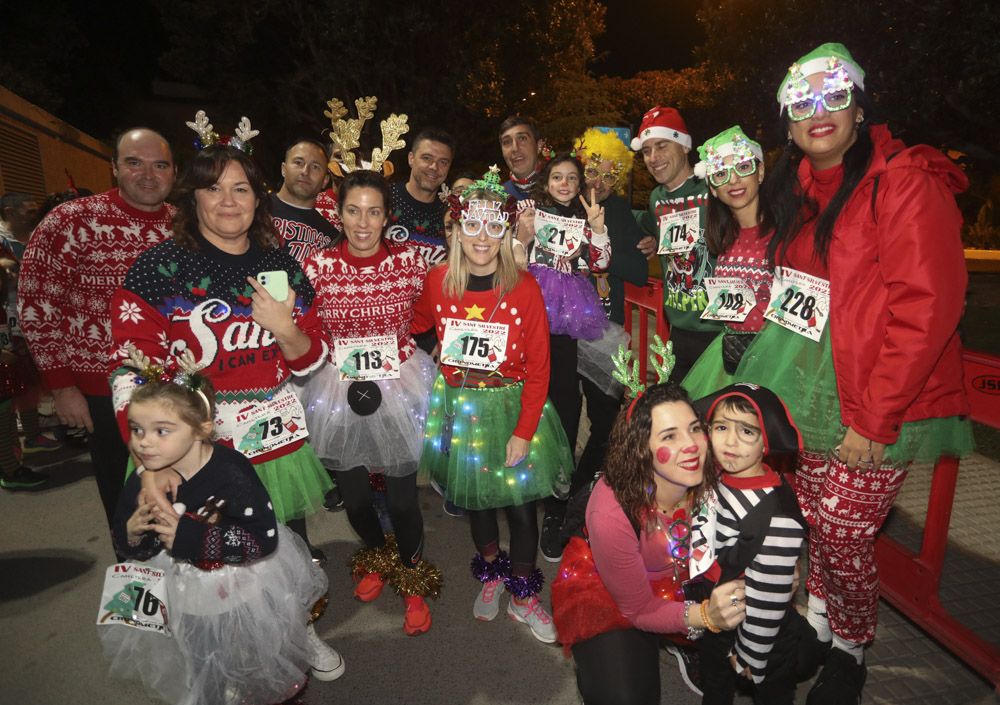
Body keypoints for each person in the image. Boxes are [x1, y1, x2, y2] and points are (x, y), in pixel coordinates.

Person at [736, 43, 974, 704]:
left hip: (874, 404)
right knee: (814, 522)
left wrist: (876, 419)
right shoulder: (799, 192)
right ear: (786, 124)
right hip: (810, 395)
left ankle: (851, 647)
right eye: (801, 100)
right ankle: (818, 627)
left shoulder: (902, 181)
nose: (818, 111)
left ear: (860, 106)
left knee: (842, 533)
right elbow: (795, 293)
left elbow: (929, 306)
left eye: (833, 95)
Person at [110, 121, 333, 562]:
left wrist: (284, 327)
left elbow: (312, 362)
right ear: (193, 198)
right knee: (207, 570)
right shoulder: (156, 271)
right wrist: (149, 461)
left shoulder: (281, 265)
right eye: (213, 189)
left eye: (241, 189)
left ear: (258, 198)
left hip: (275, 445)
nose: (228, 202)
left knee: (285, 555)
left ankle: (292, 629)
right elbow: (130, 375)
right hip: (191, 453)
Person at [100, 349, 342, 705]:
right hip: (184, 591)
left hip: (241, 584)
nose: (143, 442)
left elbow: (264, 539)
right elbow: (132, 547)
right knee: (199, 655)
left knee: (259, 648)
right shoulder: (142, 482)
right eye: (137, 429)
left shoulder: (231, 472)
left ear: (202, 428)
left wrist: (189, 537)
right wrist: (134, 534)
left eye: (161, 431)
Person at [414, 166, 573, 644]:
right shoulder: (439, 280)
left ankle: (524, 594)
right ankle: (491, 573)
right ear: (457, 228)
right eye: (472, 225)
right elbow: (415, 324)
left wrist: (524, 431)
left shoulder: (524, 287)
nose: (482, 237)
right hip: (462, 411)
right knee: (475, 501)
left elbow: (541, 367)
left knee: (523, 510)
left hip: (512, 408)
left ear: (505, 231)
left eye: (493, 226)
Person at [298, 169, 441, 636]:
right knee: (355, 500)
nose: (363, 222)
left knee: (402, 501)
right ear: (338, 214)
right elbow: (309, 330)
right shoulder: (317, 267)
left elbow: (437, 307)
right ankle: (379, 553)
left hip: (400, 386)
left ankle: (413, 578)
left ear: (387, 217)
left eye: (374, 211)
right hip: (339, 390)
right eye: (353, 211)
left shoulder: (410, 263)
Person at [551, 380, 747, 705]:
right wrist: (706, 617)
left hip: (687, 575)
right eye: (670, 436)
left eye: (695, 429)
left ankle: (687, 641)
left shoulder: (719, 468)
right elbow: (638, 609)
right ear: (642, 448)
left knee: (793, 646)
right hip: (619, 594)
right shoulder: (611, 512)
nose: (692, 446)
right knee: (624, 697)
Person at [18, 128, 176, 526]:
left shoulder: (184, 225)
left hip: (176, 385)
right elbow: (37, 303)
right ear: (114, 168)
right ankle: (139, 578)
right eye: (134, 163)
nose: (147, 174)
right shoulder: (72, 221)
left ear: (174, 172)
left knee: (182, 491)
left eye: (160, 165)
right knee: (127, 499)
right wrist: (63, 385)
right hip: (103, 391)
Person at [516, 153, 612, 561]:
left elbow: (602, 264)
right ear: (546, 181)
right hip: (534, 313)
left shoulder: (587, 218)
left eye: (571, 178)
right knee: (538, 405)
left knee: (569, 407)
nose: (564, 183)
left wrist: (598, 230)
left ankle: (560, 501)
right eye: (557, 176)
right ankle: (535, 487)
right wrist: (521, 236)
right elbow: (514, 263)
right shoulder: (531, 213)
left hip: (574, 318)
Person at [690, 383, 807, 705]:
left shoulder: (777, 517)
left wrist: (751, 654)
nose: (730, 441)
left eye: (747, 432)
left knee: (772, 692)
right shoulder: (719, 474)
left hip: (760, 628)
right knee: (715, 686)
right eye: (722, 427)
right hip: (718, 608)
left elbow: (770, 595)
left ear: (766, 442)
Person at [571, 128, 649, 498]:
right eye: (592, 171)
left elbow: (636, 270)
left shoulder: (617, 210)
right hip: (562, 331)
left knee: (605, 421)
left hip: (604, 331)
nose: (598, 182)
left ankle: (582, 490)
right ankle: (559, 497)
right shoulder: (564, 203)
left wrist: (601, 244)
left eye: (609, 175)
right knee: (563, 417)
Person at [681, 126, 773, 398]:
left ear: (761, 172)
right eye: (721, 174)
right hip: (732, 360)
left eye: (743, 167)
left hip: (775, 361)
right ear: (712, 187)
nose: (733, 181)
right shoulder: (722, 239)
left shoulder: (787, 235)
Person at [633, 107, 722, 382]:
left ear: (684, 146)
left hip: (720, 330)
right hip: (678, 330)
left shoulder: (713, 188)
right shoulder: (656, 198)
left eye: (661, 146)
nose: (653, 158)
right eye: (646, 151)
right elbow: (647, 223)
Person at [0, 192, 61, 459]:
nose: (34, 214)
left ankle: (33, 434)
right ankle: (10, 453)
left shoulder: (36, 236)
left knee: (29, 380)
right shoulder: (3, 241)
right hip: (6, 323)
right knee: (8, 385)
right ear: (10, 212)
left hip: (31, 318)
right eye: (28, 211)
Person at [387, 128, 454, 268]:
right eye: (426, 158)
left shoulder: (450, 215)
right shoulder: (384, 198)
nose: (434, 167)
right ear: (411, 159)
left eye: (443, 162)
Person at [271, 137, 339, 264]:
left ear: (325, 180)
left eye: (315, 167)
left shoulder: (332, 238)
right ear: (283, 169)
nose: (305, 171)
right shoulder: (254, 211)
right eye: (298, 162)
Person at [499, 116, 542, 201]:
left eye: (522, 138)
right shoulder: (497, 198)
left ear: (539, 146)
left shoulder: (564, 190)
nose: (515, 148)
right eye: (507, 142)